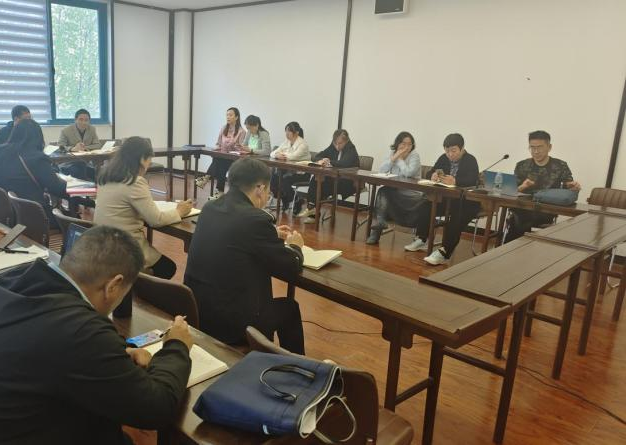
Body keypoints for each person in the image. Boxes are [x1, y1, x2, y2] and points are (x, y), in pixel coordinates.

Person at [0, 226, 193, 445]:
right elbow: (157, 408)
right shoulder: (81, 331)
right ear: (114, 286)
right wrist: (176, 345)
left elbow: (44, 344)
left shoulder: (14, 279)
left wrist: (116, 353)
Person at [185, 157, 306, 354]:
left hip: (198, 311)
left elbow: (235, 233)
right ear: (260, 188)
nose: (267, 196)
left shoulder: (210, 207)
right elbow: (291, 266)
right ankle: (296, 368)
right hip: (232, 323)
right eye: (268, 191)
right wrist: (295, 246)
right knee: (289, 309)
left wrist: (271, 234)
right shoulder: (255, 219)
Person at [94, 137, 193, 279]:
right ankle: (138, 285)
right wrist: (179, 211)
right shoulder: (135, 181)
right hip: (125, 249)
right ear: (141, 159)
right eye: (149, 160)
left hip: (104, 246)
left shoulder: (106, 177)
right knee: (167, 268)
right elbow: (156, 220)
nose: (148, 165)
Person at [407, 134, 481, 265]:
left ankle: (444, 252)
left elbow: (472, 180)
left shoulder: (470, 160)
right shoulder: (443, 158)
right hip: (446, 199)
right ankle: (421, 239)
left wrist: (456, 181)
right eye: (447, 151)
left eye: (453, 151)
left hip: (466, 203)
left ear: (462, 148)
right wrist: (433, 175)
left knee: (457, 216)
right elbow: (430, 172)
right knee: (426, 205)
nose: (450, 154)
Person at [505, 130, 581, 242]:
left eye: (539, 147)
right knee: (520, 217)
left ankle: (512, 246)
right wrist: (523, 186)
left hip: (546, 210)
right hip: (522, 207)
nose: (536, 151)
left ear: (549, 147)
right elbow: (511, 191)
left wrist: (573, 187)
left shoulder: (560, 165)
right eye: (532, 148)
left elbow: (567, 187)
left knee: (519, 221)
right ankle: (517, 246)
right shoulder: (522, 165)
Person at [0, 118, 67, 226]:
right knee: (74, 220)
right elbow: (57, 188)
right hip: (34, 217)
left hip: (6, 216)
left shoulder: (2, 151)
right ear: (38, 137)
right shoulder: (36, 158)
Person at [366, 131, 423, 245]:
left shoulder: (414, 155)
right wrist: (394, 158)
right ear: (398, 143)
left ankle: (376, 232)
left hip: (410, 193)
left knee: (384, 192)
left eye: (409, 144)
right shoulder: (392, 153)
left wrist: (399, 160)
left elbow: (408, 173)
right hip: (394, 191)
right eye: (403, 143)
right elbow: (382, 170)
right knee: (383, 191)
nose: (406, 147)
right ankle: (380, 223)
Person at [296, 129, 360, 224]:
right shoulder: (333, 146)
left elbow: (343, 164)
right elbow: (317, 156)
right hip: (334, 180)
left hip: (348, 183)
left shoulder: (351, 149)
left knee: (319, 183)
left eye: (340, 143)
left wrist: (329, 161)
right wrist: (323, 159)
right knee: (316, 180)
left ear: (346, 141)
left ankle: (313, 211)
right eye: (335, 143)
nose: (337, 146)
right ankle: (311, 208)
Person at [196, 107, 246, 199]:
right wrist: (216, 149)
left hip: (234, 159)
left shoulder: (241, 131)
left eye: (230, 115)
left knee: (219, 162)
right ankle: (218, 192)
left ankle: (206, 178)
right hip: (223, 157)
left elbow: (240, 148)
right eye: (227, 115)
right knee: (220, 162)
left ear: (236, 117)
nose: (228, 117)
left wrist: (232, 147)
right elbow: (219, 143)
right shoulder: (224, 128)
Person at [269, 121, 311, 214]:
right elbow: (272, 153)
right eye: (286, 131)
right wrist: (276, 155)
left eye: (289, 131)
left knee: (284, 180)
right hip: (288, 172)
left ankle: (296, 200)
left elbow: (293, 156)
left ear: (296, 132)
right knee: (274, 179)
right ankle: (287, 199)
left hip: (302, 174)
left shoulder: (303, 144)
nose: (287, 133)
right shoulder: (286, 142)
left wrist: (281, 155)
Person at [58, 109, 102, 181]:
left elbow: (98, 145)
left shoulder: (92, 129)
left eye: (86, 120)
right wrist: (72, 149)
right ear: (75, 120)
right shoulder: (66, 130)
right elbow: (60, 146)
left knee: (97, 174)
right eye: (81, 119)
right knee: (79, 170)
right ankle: (83, 187)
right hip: (69, 163)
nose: (83, 122)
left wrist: (84, 147)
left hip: (86, 162)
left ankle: (94, 187)